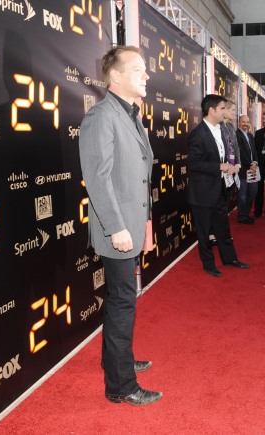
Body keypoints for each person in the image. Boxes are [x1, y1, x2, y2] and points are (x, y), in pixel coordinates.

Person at [79, 46, 162, 406]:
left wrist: (140, 222)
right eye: (139, 69)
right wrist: (116, 228)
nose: (147, 76)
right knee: (124, 301)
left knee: (122, 299)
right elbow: (97, 179)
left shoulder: (130, 115)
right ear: (115, 76)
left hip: (131, 222)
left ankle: (118, 361)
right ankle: (121, 385)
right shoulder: (101, 116)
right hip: (117, 229)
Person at [187, 94, 249, 277]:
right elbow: (193, 163)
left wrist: (231, 166)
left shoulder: (223, 129)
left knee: (223, 227)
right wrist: (218, 167)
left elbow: (227, 153)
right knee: (204, 231)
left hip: (221, 188)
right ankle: (209, 264)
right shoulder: (198, 134)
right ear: (211, 110)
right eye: (222, 108)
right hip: (203, 193)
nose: (225, 112)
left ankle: (230, 258)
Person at [236, 114, 259, 224]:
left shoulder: (250, 135)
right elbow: (240, 153)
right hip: (242, 171)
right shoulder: (236, 135)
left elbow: (254, 151)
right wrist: (250, 164)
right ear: (239, 122)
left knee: (253, 192)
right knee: (243, 195)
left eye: (247, 122)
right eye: (243, 122)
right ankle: (242, 216)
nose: (245, 124)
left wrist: (255, 162)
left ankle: (246, 213)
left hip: (252, 169)